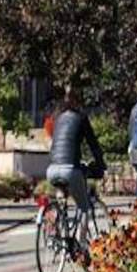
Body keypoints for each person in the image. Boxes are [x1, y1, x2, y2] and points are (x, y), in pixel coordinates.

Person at [46, 88, 105, 241]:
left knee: (61, 196)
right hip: (70, 169)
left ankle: (56, 229)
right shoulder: (81, 118)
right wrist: (101, 164)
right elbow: (93, 144)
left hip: (52, 169)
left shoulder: (58, 119)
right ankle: (82, 245)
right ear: (78, 103)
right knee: (84, 207)